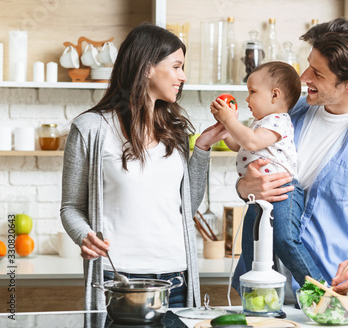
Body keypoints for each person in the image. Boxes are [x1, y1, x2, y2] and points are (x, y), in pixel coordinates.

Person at [233, 18, 348, 296]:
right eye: (309, 65)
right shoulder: (288, 112)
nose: (304, 77)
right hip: (261, 286)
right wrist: (245, 188)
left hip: (329, 294)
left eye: (317, 73)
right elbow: (253, 168)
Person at [60, 23, 226, 311]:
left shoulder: (174, 131)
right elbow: (71, 207)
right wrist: (83, 235)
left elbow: (187, 206)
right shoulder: (90, 128)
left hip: (176, 279)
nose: (183, 76)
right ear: (147, 68)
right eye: (176, 66)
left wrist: (202, 149)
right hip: (118, 279)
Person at [210, 61, 323, 286]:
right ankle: (254, 299)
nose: (247, 98)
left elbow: (251, 142)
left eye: (252, 92)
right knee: (252, 247)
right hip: (259, 197)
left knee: (285, 239)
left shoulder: (279, 121)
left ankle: (319, 287)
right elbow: (238, 145)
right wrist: (225, 130)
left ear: (274, 95)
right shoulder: (258, 123)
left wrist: (230, 120)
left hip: (283, 192)